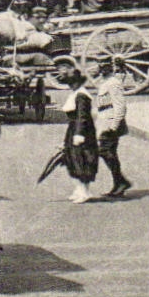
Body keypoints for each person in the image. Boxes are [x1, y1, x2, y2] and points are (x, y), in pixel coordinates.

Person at [92, 59, 133, 198]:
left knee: (105, 151)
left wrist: (114, 125)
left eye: (101, 67)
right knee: (109, 152)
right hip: (104, 121)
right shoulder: (106, 82)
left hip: (110, 123)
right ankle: (119, 183)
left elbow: (120, 105)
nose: (98, 69)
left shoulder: (114, 83)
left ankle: (120, 181)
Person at [59, 67, 98, 204]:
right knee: (72, 159)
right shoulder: (76, 93)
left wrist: (79, 134)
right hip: (74, 129)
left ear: (77, 83)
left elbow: (83, 116)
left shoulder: (82, 96)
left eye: (72, 83)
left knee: (82, 159)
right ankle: (79, 189)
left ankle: (85, 191)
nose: (71, 85)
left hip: (82, 131)